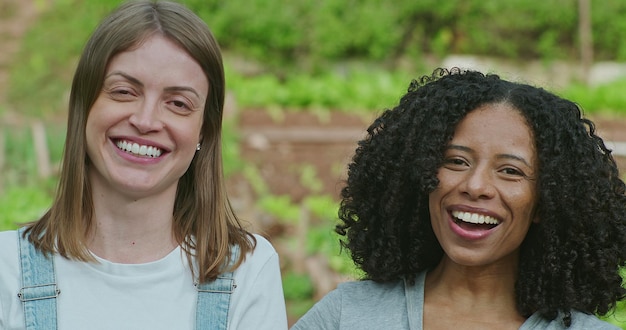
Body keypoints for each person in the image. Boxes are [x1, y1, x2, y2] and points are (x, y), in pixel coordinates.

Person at [0, 1, 287, 329]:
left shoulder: (246, 273)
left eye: (178, 103)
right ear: (84, 107)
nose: (146, 120)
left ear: (203, 131)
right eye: (123, 91)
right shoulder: (6, 271)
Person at [292, 68, 626, 329]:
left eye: (510, 171)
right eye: (456, 161)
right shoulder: (346, 317)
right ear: (421, 175)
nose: (476, 185)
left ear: (546, 200)